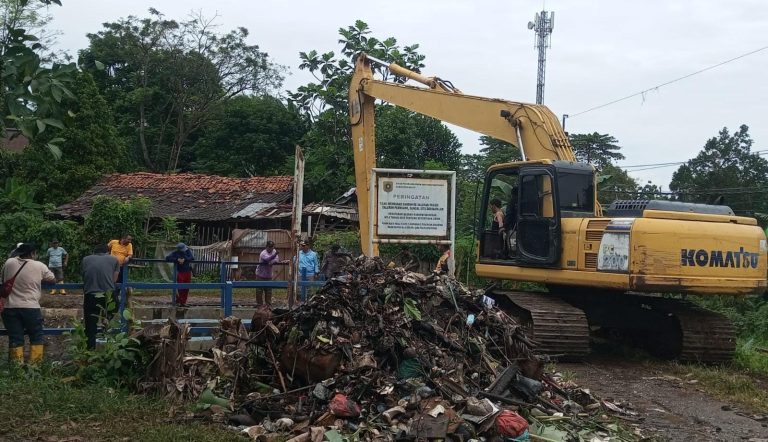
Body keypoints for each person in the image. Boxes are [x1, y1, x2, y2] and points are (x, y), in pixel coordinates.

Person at [1, 243, 56, 365]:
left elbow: (3, 278)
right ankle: (35, 366)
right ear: (32, 253)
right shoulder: (39, 265)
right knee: (36, 336)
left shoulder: (9, 262)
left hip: (10, 308)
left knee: (15, 337)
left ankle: (16, 368)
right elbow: (52, 279)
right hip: (30, 307)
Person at [81, 244, 120, 350]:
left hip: (90, 295)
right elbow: (114, 280)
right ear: (107, 252)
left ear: (94, 252)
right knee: (116, 305)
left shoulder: (85, 259)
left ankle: (90, 350)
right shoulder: (114, 259)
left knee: (90, 326)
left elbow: (84, 276)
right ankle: (107, 319)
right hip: (108, 295)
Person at [107, 234, 133, 311]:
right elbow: (106, 248)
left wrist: (128, 257)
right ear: (123, 238)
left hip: (121, 267)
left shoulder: (129, 245)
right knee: (110, 281)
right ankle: (109, 298)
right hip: (111, 266)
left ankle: (116, 299)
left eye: (130, 240)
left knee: (120, 283)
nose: (130, 241)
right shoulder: (113, 242)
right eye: (128, 239)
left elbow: (130, 254)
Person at [165, 243, 195, 307]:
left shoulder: (187, 251)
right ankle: (179, 300)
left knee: (186, 287)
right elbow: (167, 258)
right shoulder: (176, 253)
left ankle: (183, 301)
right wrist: (177, 259)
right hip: (180, 272)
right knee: (180, 287)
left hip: (187, 272)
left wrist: (185, 259)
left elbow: (192, 258)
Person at [255, 240, 280, 306]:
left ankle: (268, 306)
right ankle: (259, 306)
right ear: (266, 247)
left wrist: (272, 262)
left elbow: (277, 260)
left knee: (269, 291)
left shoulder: (274, 251)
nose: (271, 248)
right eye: (269, 247)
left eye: (272, 247)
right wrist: (274, 256)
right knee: (259, 291)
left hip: (268, 275)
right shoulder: (263, 253)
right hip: (260, 275)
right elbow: (267, 259)